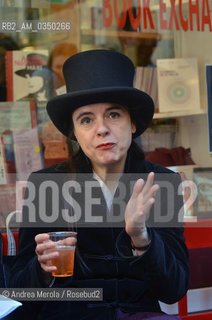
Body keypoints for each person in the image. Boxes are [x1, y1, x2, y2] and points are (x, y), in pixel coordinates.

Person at [9, 50, 189, 320]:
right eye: (86, 120)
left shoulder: (160, 182)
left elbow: (174, 290)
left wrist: (143, 238)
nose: (102, 129)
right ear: (74, 134)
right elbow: (18, 296)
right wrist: (41, 268)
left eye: (114, 115)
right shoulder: (47, 185)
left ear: (133, 123)